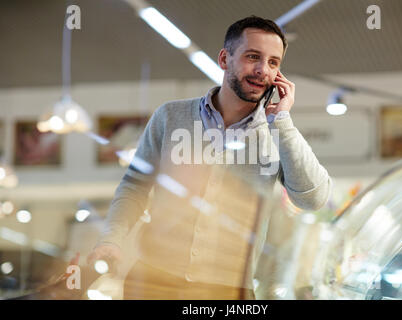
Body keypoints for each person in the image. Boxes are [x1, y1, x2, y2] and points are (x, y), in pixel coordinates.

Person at [87, 15, 331, 299]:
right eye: (253, 56)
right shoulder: (170, 117)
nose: (263, 70)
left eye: (274, 62)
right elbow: (135, 187)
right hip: (152, 282)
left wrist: (283, 121)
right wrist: (111, 240)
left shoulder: (277, 133)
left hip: (228, 291)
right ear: (225, 59)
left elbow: (313, 199)